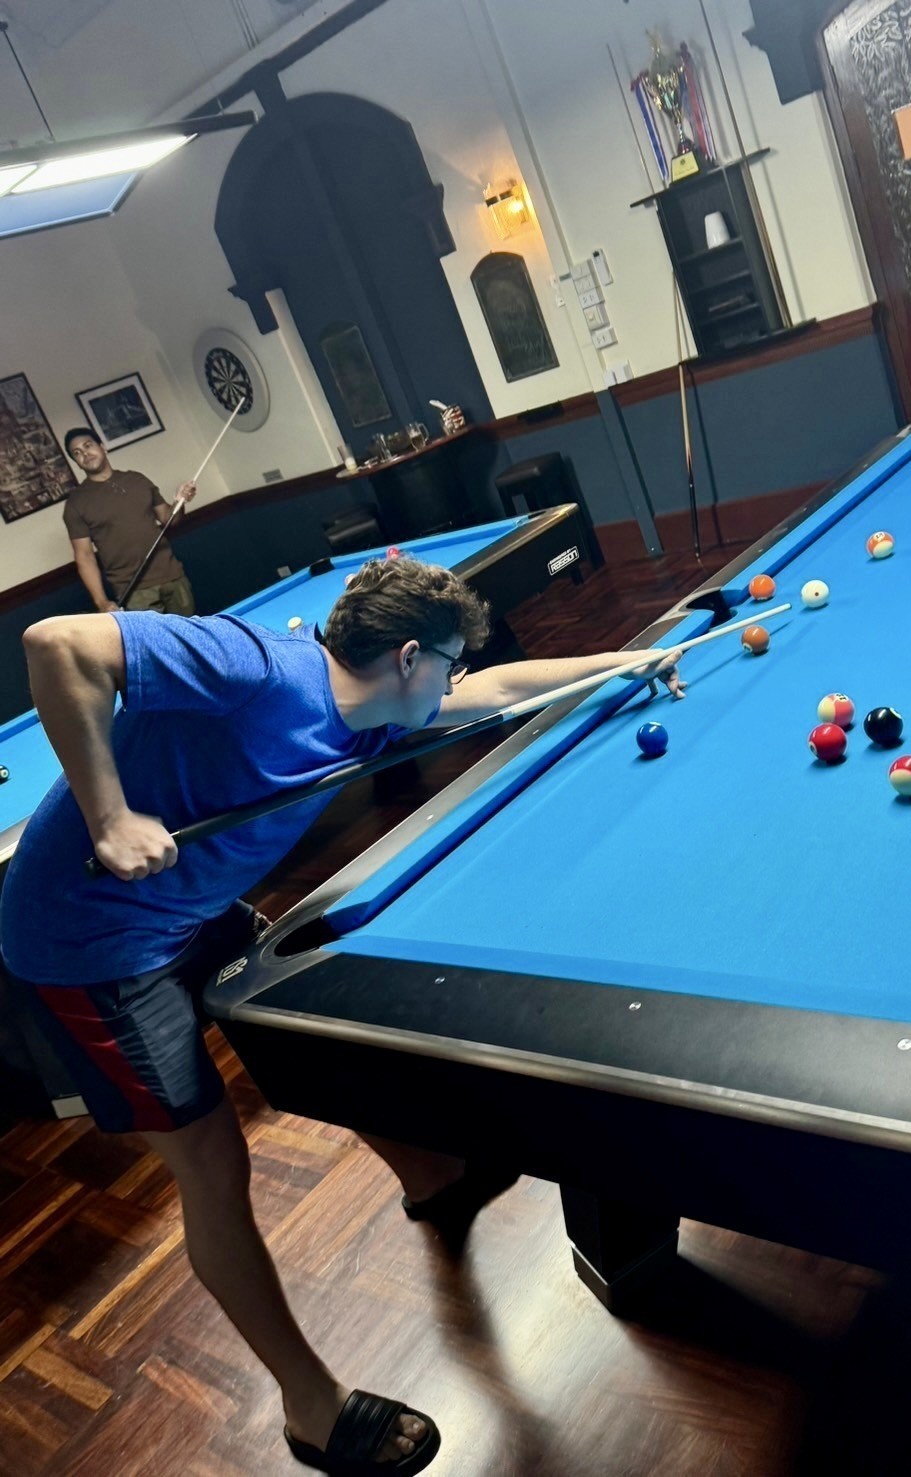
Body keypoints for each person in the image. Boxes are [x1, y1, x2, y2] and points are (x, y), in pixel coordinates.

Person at [0, 555, 685, 1474]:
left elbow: (489, 692)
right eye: (447, 661)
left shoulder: (373, 705)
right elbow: (57, 642)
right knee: (212, 1163)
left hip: (187, 906)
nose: (454, 677)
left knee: (302, 1020)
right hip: (93, 944)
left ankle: (433, 1178)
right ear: (408, 657)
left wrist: (621, 663)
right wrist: (109, 815)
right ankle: (310, 1409)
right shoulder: (255, 668)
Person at [62, 427, 197, 615]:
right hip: (134, 591)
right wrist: (102, 602)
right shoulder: (75, 504)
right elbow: (84, 556)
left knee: (190, 632)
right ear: (76, 462)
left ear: (102, 447)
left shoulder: (137, 479)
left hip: (173, 575)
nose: (85, 454)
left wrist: (179, 502)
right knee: (151, 637)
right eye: (77, 453)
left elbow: (169, 519)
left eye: (88, 445)